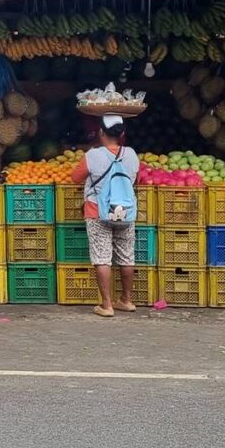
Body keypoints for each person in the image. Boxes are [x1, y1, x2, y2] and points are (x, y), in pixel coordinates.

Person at [70, 114, 140, 317]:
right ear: (123, 134)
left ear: (101, 132)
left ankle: (107, 305)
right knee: (126, 256)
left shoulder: (93, 155)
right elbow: (137, 179)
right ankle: (126, 300)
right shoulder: (132, 154)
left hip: (97, 211)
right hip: (125, 211)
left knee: (102, 257)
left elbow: (75, 178)